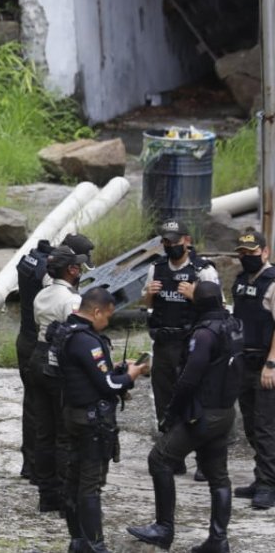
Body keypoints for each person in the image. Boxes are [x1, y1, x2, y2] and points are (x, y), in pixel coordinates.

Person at [126, 282, 243, 552]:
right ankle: (218, 540)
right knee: (218, 477)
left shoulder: (203, 334)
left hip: (202, 413)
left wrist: (171, 414)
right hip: (225, 412)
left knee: (159, 459)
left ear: (198, 304)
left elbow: (189, 379)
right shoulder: (235, 325)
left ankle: (164, 528)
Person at [53, 287, 149, 553]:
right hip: (91, 423)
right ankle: (96, 546)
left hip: (73, 415)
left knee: (73, 482)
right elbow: (107, 384)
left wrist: (117, 368)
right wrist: (133, 374)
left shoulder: (67, 331)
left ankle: (78, 541)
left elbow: (89, 375)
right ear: (96, 312)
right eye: (107, 316)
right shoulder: (87, 341)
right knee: (89, 487)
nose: (107, 321)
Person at [141, 219, 218, 477]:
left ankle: (205, 461)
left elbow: (217, 308)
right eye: (165, 241)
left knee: (196, 403)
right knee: (165, 402)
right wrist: (149, 295)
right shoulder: (157, 268)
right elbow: (149, 307)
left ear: (186, 240)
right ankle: (173, 456)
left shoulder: (203, 270)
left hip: (193, 346)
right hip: (163, 344)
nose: (170, 245)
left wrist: (194, 296)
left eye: (174, 240)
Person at [16, 234, 95, 482]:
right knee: (59, 423)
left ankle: (37, 473)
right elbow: (73, 331)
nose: (82, 269)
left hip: (32, 344)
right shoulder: (62, 291)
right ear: (69, 265)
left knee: (38, 417)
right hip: (50, 351)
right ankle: (57, 482)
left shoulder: (33, 262)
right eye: (79, 265)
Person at [29, 244, 90, 512]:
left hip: (37, 358)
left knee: (44, 431)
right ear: (72, 270)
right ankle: (68, 499)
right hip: (57, 363)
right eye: (78, 266)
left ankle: (47, 495)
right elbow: (75, 336)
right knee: (64, 433)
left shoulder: (42, 294)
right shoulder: (72, 300)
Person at [230, 230, 275, 510]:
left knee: (265, 426)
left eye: (252, 252)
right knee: (250, 423)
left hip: (265, 365)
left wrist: (271, 363)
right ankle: (262, 478)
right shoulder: (241, 281)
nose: (247, 258)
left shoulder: (272, 283)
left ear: (265, 252)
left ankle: (269, 485)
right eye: (243, 253)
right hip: (244, 361)